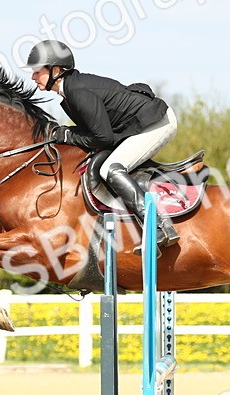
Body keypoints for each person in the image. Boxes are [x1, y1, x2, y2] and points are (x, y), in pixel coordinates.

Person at [24, 39, 180, 251]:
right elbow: (95, 132)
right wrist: (66, 132)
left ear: (56, 70)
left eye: (37, 71)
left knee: (111, 168)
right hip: (135, 125)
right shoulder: (71, 91)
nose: (33, 77)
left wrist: (68, 135)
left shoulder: (78, 92)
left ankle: (159, 226)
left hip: (156, 123)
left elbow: (102, 138)